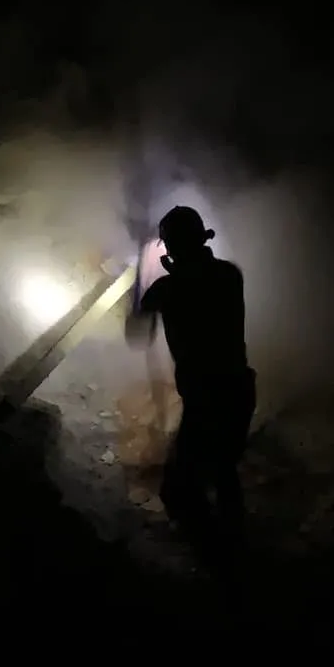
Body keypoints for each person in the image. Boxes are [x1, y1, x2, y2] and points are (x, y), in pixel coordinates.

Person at [128, 205, 257, 574]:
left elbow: (136, 334)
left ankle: (217, 568)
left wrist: (139, 289)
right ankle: (238, 560)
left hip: (207, 403)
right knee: (224, 475)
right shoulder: (229, 275)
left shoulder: (169, 288)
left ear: (172, 247)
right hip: (240, 392)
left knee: (179, 491)